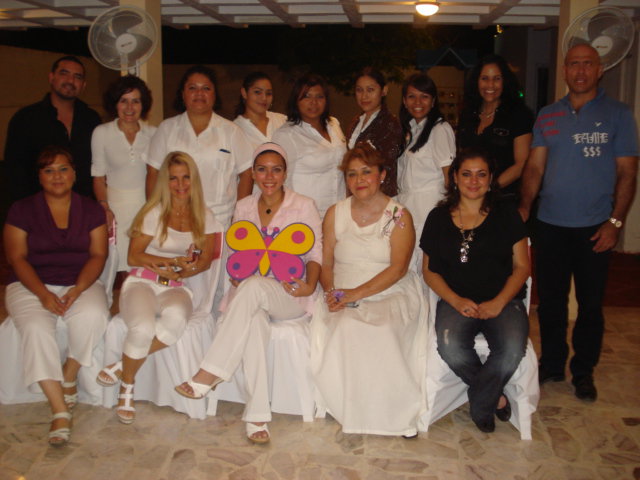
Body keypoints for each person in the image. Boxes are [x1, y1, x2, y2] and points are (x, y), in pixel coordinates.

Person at [175, 143, 322, 444]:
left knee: (254, 286)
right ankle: (257, 416)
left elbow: (316, 252)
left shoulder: (304, 204)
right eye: (262, 170)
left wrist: (309, 284)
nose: (269, 176)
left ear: (285, 173)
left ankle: (210, 372)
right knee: (254, 321)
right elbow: (236, 249)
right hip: (250, 296)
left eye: (276, 170)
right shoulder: (243, 206)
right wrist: (235, 274)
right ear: (253, 173)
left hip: (289, 294)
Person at [519, 44, 639, 401]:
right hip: (550, 225)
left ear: (599, 70)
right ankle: (553, 363)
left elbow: (627, 173)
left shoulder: (618, 114)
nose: (581, 71)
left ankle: (584, 371)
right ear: (565, 70)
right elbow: (535, 167)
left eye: (588, 64)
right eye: (574, 64)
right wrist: (525, 208)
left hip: (595, 227)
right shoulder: (548, 115)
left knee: (590, 305)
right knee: (551, 302)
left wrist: (615, 222)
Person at [310, 142, 428, 437]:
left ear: (382, 175)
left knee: (381, 327)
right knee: (347, 325)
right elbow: (326, 262)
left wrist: (355, 294)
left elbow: (398, 268)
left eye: (366, 172)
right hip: (342, 291)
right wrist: (332, 292)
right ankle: (352, 408)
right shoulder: (335, 213)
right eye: (352, 174)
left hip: (390, 290)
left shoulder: (398, 215)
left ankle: (395, 412)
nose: (359, 180)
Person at [96, 152, 222, 424]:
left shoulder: (205, 215)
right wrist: (170, 262)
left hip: (175, 287)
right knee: (142, 328)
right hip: (143, 282)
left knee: (175, 323)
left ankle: (121, 365)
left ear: (194, 180)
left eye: (186, 177)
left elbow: (204, 262)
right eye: (174, 178)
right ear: (165, 181)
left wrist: (185, 269)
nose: (180, 184)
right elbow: (133, 257)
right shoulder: (154, 213)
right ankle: (127, 387)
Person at [3, 146, 109, 446]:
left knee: (94, 315)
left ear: (74, 173)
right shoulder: (21, 209)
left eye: (63, 169)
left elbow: (98, 254)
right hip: (29, 284)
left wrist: (78, 289)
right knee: (36, 328)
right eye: (49, 170)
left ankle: (69, 373)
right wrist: (42, 294)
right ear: (39, 176)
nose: (57, 176)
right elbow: (16, 257)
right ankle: (59, 409)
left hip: (80, 281)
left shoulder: (91, 209)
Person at [420, 147, 530, 433]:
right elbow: (429, 271)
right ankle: (495, 398)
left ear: (491, 178)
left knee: (510, 351)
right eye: (466, 174)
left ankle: (482, 404)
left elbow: (522, 267)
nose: (473, 181)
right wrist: (456, 300)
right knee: (452, 349)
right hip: (456, 300)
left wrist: (499, 302)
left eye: (481, 174)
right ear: (455, 178)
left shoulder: (507, 214)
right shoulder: (438, 217)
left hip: (504, 300)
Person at [146, 65, 253, 228]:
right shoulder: (167, 129)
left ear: (214, 94)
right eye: (192, 88)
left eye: (206, 88)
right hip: (175, 222)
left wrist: (239, 217)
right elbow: (153, 172)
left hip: (220, 221)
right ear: (183, 94)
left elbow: (246, 174)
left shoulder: (231, 131)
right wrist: (154, 216)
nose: (199, 93)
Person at [4, 55, 101, 202]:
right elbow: (15, 170)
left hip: (83, 206)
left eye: (77, 76)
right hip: (38, 206)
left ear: (83, 85)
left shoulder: (92, 119)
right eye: (64, 73)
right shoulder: (26, 118)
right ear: (51, 77)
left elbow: (98, 166)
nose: (70, 80)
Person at [91, 75, 156, 272]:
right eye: (123, 101)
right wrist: (105, 208)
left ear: (143, 105)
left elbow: (158, 176)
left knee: (143, 268)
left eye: (135, 101)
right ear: (115, 103)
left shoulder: (154, 133)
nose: (129, 107)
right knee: (114, 267)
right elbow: (98, 177)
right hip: (115, 210)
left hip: (146, 208)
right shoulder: (101, 132)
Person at [397, 73, 455, 273]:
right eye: (412, 96)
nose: (418, 102)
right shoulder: (411, 131)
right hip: (408, 207)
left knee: (427, 268)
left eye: (424, 96)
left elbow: (450, 177)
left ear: (433, 101)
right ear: (404, 101)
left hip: (429, 209)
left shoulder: (439, 129)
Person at [457, 54, 534, 200]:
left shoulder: (519, 115)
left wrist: (489, 188)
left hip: (503, 198)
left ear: (505, 81)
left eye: (497, 79)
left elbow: (522, 164)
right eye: (484, 78)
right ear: (476, 81)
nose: (490, 85)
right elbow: (462, 158)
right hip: (471, 197)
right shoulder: (467, 114)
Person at [272, 73, 346, 218]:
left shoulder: (334, 124)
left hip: (339, 213)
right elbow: (275, 180)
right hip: (305, 216)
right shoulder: (285, 135)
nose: (314, 102)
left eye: (319, 97)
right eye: (307, 96)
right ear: (296, 100)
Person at [345, 67, 403, 196]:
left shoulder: (389, 124)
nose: (364, 96)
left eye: (370, 90)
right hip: (359, 193)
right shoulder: (356, 121)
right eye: (359, 90)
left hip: (379, 196)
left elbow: (387, 168)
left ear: (384, 90)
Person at [233, 72, 287, 150]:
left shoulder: (282, 121)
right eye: (257, 92)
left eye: (268, 93)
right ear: (244, 93)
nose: (264, 98)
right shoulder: (235, 129)